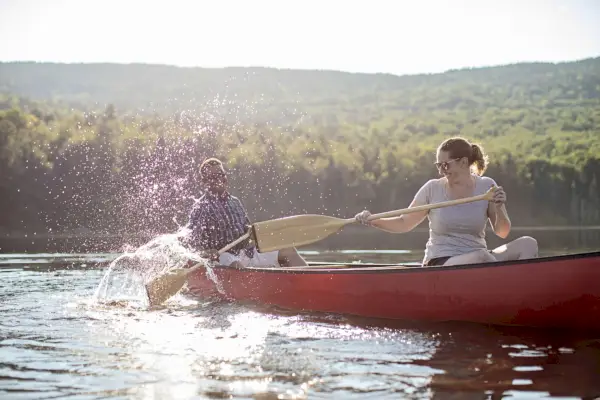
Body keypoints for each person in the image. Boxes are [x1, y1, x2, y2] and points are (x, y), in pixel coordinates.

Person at [354, 137, 538, 267]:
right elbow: (404, 223)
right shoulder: (432, 188)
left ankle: (520, 293)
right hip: (441, 261)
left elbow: (503, 232)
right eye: (438, 165)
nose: (442, 171)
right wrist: (372, 220)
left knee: (528, 243)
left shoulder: (487, 186)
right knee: (482, 257)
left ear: (464, 162)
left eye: (446, 165)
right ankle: (508, 288)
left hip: (481, 259)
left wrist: (499, 208)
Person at [184, 157, 308, 268]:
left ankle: (308, 282)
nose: (219, 179)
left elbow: (247, 232)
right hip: (223, 256)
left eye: (221, 174)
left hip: (247, 253)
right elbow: (190, 244)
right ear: (205, 182)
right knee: (236, 266)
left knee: (288, 251)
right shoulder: (201, 207)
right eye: (213, 177)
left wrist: (253, 233)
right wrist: (206, 252)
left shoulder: (235, 202)